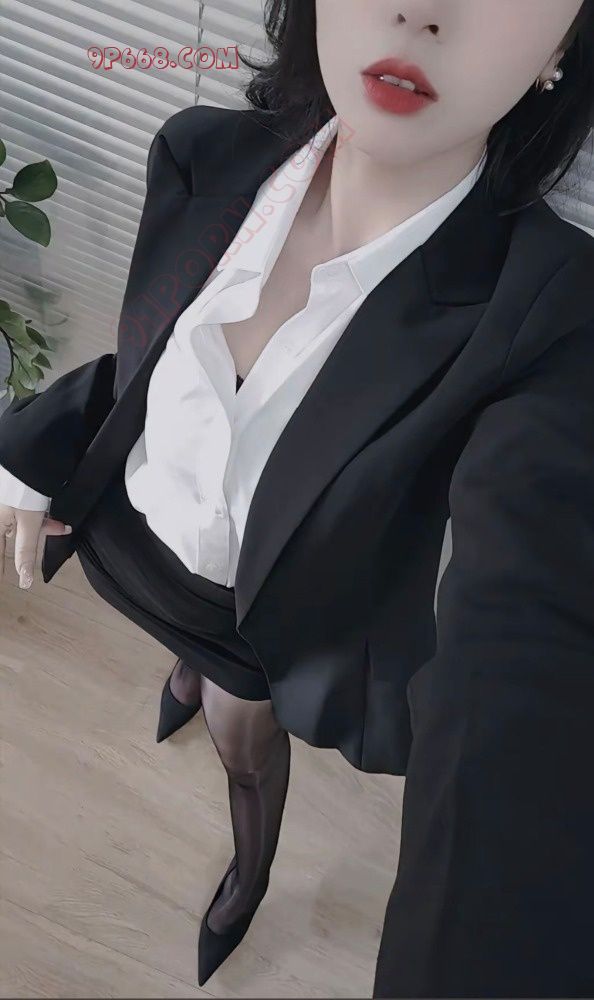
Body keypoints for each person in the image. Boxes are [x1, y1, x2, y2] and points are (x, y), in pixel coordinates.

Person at [1, 0, 593, 993]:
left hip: (256, 629)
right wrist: (29, 448)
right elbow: (148, 367)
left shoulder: (549, 314)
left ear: (562, 45)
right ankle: (182, 678)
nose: (418, 11)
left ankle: (248, 875)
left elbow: (533, 642)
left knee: (245, 752)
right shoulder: (204, 152)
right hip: (126, 546)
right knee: (192, 678)